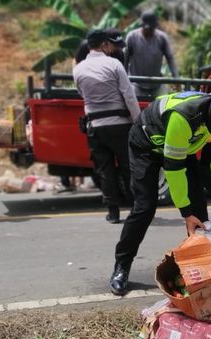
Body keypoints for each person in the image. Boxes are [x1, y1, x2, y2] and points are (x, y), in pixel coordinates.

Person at [111, 86, 211, 295]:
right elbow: (174, 169)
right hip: (147, 146)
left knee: (200, 212)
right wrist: (185, 213)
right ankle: (122, 266)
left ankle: (200, 271)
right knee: (145, 208)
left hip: (181, 146)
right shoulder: (185, 117)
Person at [74, 29, 140, 223]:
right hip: (120, 125)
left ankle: (113, 212)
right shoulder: (114, 64)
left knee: (105, 170)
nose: (112, 49)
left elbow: (82, 94)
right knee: (128, 167)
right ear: (104, 45)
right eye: (110, 45)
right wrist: (137, 122)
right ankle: (136, 208)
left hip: (95, 126)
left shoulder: (78, 69)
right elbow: (128, 95)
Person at [125, 11, 179, 97]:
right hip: (136, 83)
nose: (149, 31)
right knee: (134, 106)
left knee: (163, 104)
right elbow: (125, 59)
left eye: (151, 29)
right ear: (142, 26)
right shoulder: (132, 37)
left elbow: (170, 59)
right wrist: (124, 80)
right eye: (147, 29)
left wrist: (176, 79)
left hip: (156, 83)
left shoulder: (161, 38)